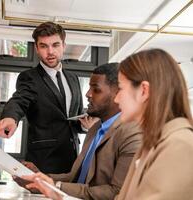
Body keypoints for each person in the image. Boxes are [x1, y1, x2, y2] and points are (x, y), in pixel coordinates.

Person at [20, 63, 142, 200]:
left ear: (118, 94)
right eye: (89, 88)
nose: (87, 94)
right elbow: (75, 178)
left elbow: (116, 192)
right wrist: (39, 177)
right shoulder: (95, 129)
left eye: (96, 90)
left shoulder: (133, 134)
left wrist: (55, 186)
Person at [0, 22, 84, 174]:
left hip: (73, 162)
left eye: (55, 45)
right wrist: (11, 117)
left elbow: (74, 118)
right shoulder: (29, 78)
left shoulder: (73, 78)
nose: (50, 51)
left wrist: (85, 125)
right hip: (43, 163)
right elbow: (19, 100)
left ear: (64, 46)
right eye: (43, 46)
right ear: (36, 48)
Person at [114, 49, 193, 199]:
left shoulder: (179, 144)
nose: (116, 99)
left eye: (120, 88)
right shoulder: (152, 143)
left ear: (144, 91)